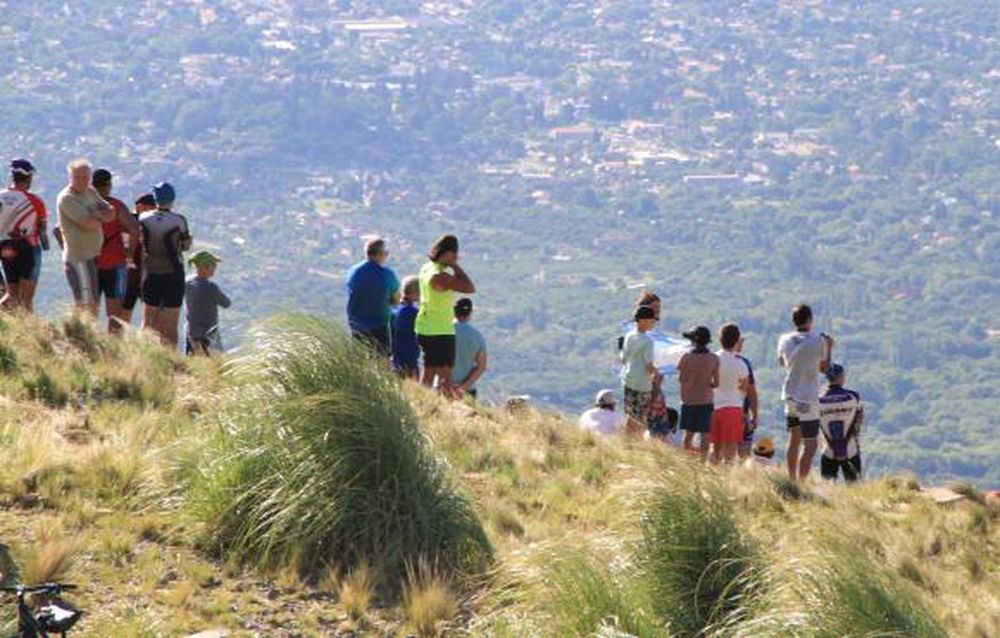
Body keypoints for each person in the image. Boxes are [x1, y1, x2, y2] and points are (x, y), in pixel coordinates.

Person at [777, 304, 833, 482]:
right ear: (810, 319)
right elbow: (824, 367)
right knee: (810, 444)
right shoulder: (819, 340)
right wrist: (829, 347)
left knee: (794, 439)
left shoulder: (785, 339)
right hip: (807, 396)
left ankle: (791, 479)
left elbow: (782, 361)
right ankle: (801, 483)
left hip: (790, 393)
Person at [415, 235, 475, 394]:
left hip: (425, 325)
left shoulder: (427, 268)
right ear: (448, 253)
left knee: (429, 371)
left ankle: (421, 401)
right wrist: (455, 266)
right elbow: (469, 288)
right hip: (440, 328)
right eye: (455, 254)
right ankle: (445, 407)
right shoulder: (440, 276)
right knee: (445, 374)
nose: (456, 257)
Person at [56, 159, 116, 316]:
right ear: (71, 177)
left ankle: (84, 333)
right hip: (78, 257)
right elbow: (88, 223)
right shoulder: (67, 198)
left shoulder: (90, 192)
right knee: (86, 303)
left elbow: (111, 212)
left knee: (92, 300)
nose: (82, 181)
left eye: (85, 177)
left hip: (93, 256)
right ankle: (82, 335)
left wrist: (98, 215)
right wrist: (99, 216)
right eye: (78, 177)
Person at [140, 182, 192, 348]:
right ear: (172, 198)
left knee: (148, 320)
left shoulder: (144, 218)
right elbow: (185, 246)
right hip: (173, 274)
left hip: (151, 272)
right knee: (171, 322)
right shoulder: (179, 220)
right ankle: (170, 361)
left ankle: (143, 358)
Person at [91, 169, 140, 333]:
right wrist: (129, 253)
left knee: (89, 312)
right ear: (108, 185)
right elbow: (134, 228)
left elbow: (58, 229)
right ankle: (113, 352)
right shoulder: (116, 206)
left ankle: (87, 347)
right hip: (115, 264)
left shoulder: (83, 205)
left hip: (90, 265)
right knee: (115, 315)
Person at [0, 159, 49, 312]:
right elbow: (42, 227)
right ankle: (29, 329)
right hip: (28, 248)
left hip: (4, 247)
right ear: (29, 178)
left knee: (11, 293)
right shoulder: (34, 201)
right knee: (26, 298)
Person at [345, 238, 401, 355]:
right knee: (382, 361)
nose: (386, 255)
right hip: (379, 324)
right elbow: (396, 300)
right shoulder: (387, 274)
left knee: (359, 360)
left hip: (356, 324)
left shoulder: (353, 271)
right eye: (386, 253)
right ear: (380, 254)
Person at [711, 323, 751, 465]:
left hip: (714, 407)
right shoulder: (740, 364)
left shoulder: (713, 358)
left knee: (716, 448)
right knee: (731, 450)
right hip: (734, 406)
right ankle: (727, 479)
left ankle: (712, 475)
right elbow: (745, 388)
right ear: (736, 341)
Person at [677, 325, 719, 461]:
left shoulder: (686, 358)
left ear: (694, 341)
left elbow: (681, 379)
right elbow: (716, 383)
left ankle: (685, 461)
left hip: (688, 400)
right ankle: (702, 462)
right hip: (706, 401)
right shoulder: (713, 358)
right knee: (705, 434)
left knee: (688, 434)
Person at [818, 363, 864, 483]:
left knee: (827, 487)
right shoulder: (853, 396)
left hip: (828, 449)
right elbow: (859, 415)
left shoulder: (818, 400)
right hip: (850, 448)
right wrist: (856, 431)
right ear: (841, 377)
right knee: (854, 487)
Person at [620, 305, 658, 434]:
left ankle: (627, 441)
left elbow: (623, 358)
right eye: (652, 320)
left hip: (628, 378)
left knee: (630, 414)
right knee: (642, 416)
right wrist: (657, 374)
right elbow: (649, 366)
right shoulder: (648, 342)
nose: (653, 323)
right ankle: (637, 444)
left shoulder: (629, 336)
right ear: (643, 321)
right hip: (642, 383)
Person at [184, 251, 231, 355]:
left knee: (192, 360)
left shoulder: (187, 282)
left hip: (191, 331)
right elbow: (226, 303)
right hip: (209, 333)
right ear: (204, 267)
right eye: (213, 266)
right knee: (214, 363)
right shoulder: (211, 287)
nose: (215, 268)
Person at [120, 193, 156, 324]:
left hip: (145, 272)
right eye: (150, 208)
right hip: (131, 272)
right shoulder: (128, 222)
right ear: (140, 206)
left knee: (149, 311)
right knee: (126, 308)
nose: (153, 212)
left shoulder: (148, 222)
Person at [452, 298, 488, 399]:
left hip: (444, 387)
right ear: (470, 313)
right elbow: (481, 366)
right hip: (467, 391)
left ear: (453, 311)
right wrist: (462, 387)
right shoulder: (477, 336)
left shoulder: (444, 331)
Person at [391, 276, 421, 379]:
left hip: (396, 357)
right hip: (409, 358)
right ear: (414, 293)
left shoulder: (394, 310)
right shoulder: (414, 312)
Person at [735, 336, 759, 460]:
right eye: (741, 341)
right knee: (744, 453)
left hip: (718, 409)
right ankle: (742, 477)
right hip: (740, 411)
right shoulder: (744, 363)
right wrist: (755, 415)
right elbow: (751, 391)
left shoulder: (716, 359)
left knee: (720, 449)